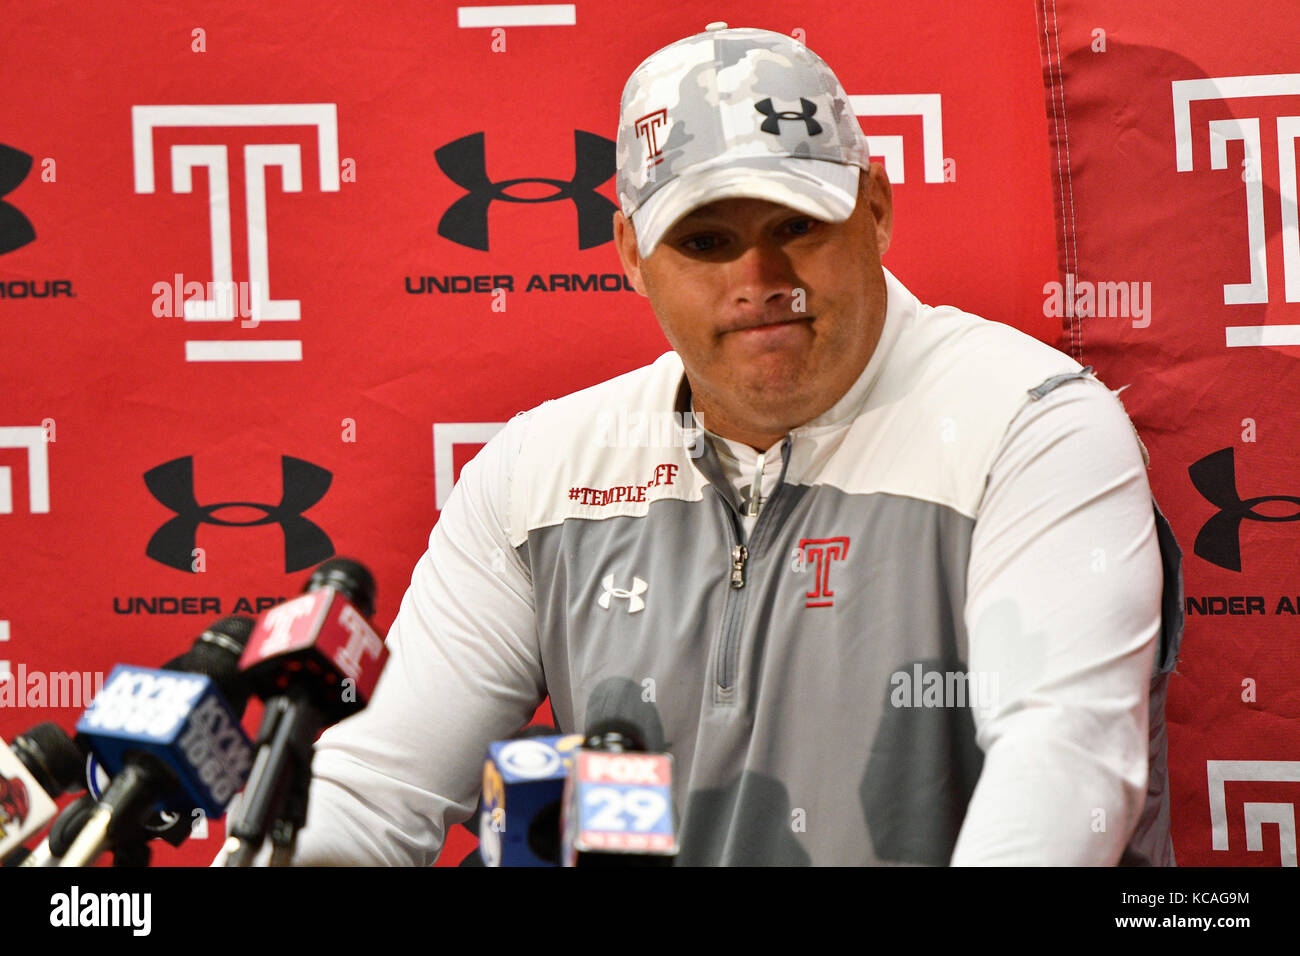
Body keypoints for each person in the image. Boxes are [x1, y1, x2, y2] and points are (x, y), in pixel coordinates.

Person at [277, 23, 1182, 865]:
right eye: (706, 241)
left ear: (874, 210)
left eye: (795, 224)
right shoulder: (538, 472)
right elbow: (377, 790)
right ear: (631, 254)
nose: (761, 281)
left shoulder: (1029, 423)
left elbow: (1061, 769)